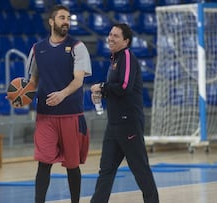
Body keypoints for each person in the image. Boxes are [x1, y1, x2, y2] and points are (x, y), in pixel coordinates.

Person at [19, 4, 92, 203]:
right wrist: (21, 98)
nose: (66, 21)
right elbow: (32, 81)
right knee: (44, 163)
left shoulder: (78, 47)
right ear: (51, 22)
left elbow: (79, 79)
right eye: (62, 17)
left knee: (72, 165)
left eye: (68, 18)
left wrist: (62, 94)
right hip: (45, 116)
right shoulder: (37, 49)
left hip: (71, 115)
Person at [90, 23, 159, 203]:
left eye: (116, 36)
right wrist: (101, 93)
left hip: (129, 123)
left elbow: (124, 87)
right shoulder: (114, 60)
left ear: (126, 41)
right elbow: (116, 90)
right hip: (114, 125)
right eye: (110, 34)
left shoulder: (127, 57)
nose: (111, 38)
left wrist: (103, 87)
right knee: (106, 170)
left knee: (139, 169)